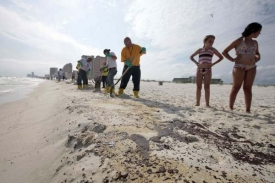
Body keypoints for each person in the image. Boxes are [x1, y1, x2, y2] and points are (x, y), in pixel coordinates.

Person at [222, 22, 262, 113]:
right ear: (253, 31)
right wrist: (232, 59)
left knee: (248, 88)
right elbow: (225, 52)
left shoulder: (255, 42)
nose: (260, 33)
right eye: (259, 31)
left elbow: (257, 53)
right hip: (239, 67)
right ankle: (231, 108)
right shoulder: (239, 41)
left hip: (252, 67)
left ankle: (248, 110)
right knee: (236, 87)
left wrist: (258, 57)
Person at [190, 35, 223, 106]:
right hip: (199, 69)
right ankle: (197, 103)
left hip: (208, 70)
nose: (211, 42)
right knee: (198, 87)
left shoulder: (213, 50)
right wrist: (196, 63)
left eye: (213, 41)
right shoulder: (200, 50)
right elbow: (191, 57)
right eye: (210, 41)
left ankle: (207, 104)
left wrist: (212, 64)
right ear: (205, 41)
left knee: (207, 87)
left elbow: (221, 57)